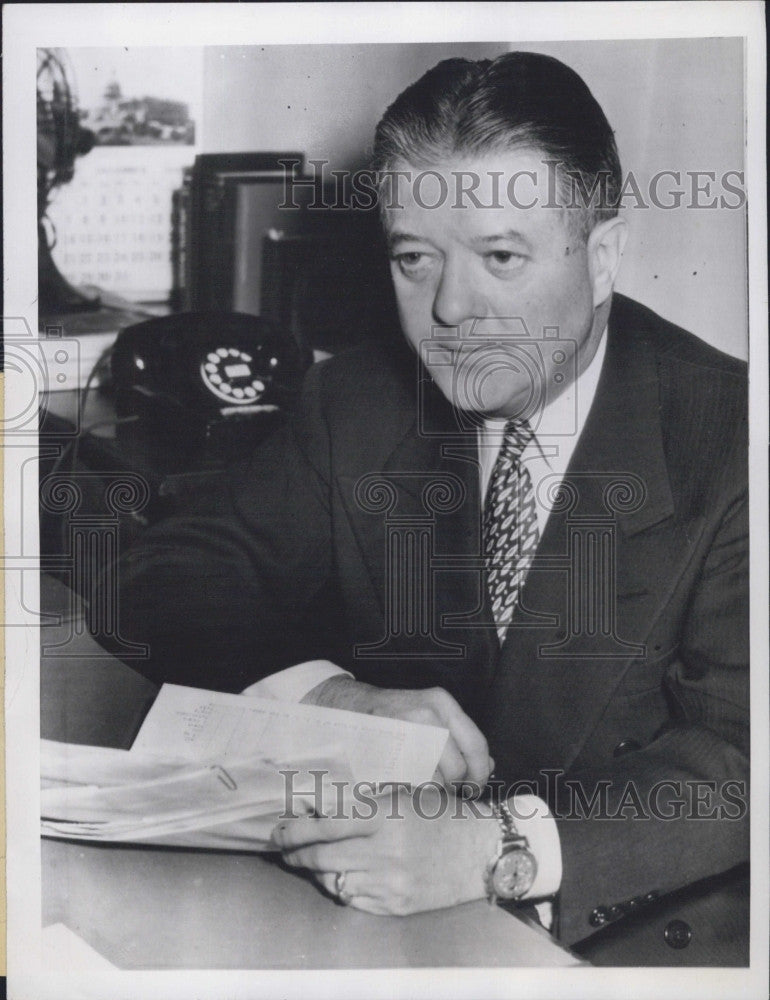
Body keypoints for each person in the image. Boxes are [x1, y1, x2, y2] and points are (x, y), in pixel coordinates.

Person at [100, 52, 748, 966]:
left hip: (624, 944)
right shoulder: (358, 400)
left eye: (500, 256)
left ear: (603, 255)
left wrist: (497, 850)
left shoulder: (731, 439)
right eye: (414, 257)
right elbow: (163, 575)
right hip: (379, 932)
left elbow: (743, 755)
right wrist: (330, 695)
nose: (449, 307)